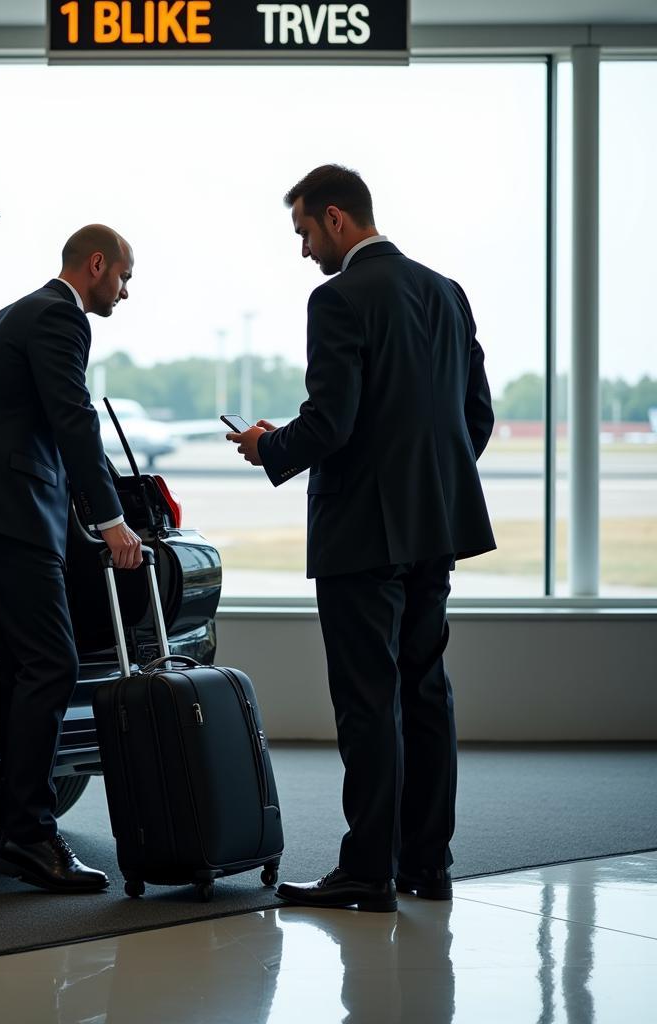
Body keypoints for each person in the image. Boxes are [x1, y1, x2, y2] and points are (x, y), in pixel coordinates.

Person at [228, 165, 495, 912]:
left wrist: (269, 448)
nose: (305, 250)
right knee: (427, 691)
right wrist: (424, 484)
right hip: (434, 527)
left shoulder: (338, 297)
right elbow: (475, 417)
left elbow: (335, 422)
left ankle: (367, 872)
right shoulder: (447, 292)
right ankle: (427, 865)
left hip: (360, 534)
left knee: (368, 702)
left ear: (337, 219)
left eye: (305, 232)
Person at [0, 224, 143, 893]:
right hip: (12, 514)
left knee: (28, 666)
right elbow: (71, 417)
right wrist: (112, 521)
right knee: (53, 665)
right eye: (125, 277)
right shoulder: (59, 317)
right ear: (97, 264)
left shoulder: (11, 313)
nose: (126, 292)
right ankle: (28, 836)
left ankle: (13, 831)